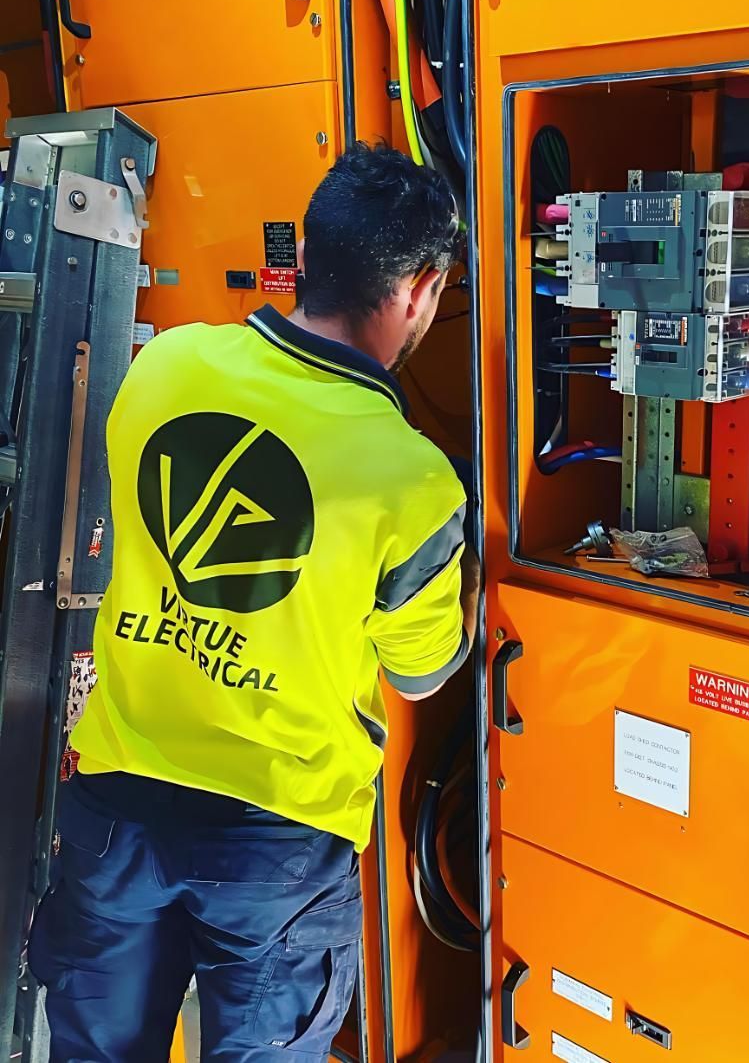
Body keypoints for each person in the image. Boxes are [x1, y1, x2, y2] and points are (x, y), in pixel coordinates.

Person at [28, 143, 479, 1062]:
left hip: (117, 800)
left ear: (304, 256)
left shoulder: (167, 366)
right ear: (423, 290)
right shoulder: (414, 480)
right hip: (278, 835)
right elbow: (423, 671)